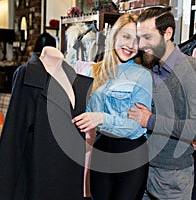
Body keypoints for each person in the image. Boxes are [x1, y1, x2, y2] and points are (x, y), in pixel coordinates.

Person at [128, 6, 196, 199]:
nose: (141, 45)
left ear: (168, 33)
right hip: (141, 169)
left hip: (171, 176)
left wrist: (150, 120)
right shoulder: (149, 67)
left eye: (148, 37)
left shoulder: (193, 71)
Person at [72, 13, 152, 200]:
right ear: (114, 35)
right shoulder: (94, 71)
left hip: (131, 154)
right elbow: (86, 112)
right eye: (126, 37)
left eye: (136, 40)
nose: (131, 45)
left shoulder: (142, 76)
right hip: (101, 150)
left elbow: (134, 127)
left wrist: (101, 118)